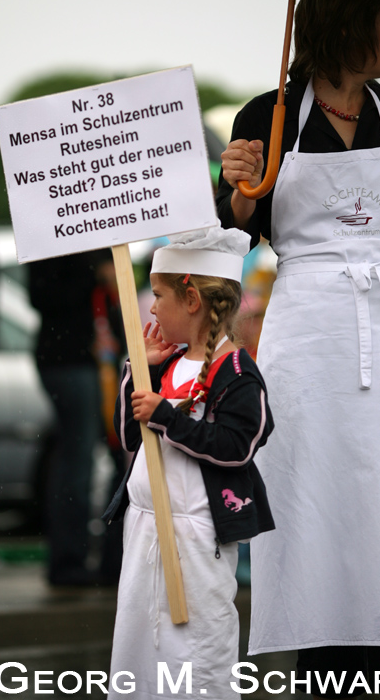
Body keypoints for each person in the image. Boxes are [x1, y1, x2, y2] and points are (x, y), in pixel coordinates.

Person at [217, 0, 380, 697]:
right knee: (319, 501)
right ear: (348, 21)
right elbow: (233, 232)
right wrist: (239, 188)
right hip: (311, 340)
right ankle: (327, 671)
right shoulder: (262, 117)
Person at [105, 224, 274, 699]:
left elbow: (239, 444)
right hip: (144, 531)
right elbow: (128, 438)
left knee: (195, 656)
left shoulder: (236, 371)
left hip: (196, 540)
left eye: (159, 296)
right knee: (140, 650)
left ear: (192, 300)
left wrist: (168, 418)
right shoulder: (168, 363)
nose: (152, 307)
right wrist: (139, 373)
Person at [29, 250, 110, 587]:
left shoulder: (81, 236)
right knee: (76, 461)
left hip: (84, 358)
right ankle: (68, 561)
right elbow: (43, 295)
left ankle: (81, 558)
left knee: (78, 459)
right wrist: (94, 275)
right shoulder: (58, 236)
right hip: (70, 358)